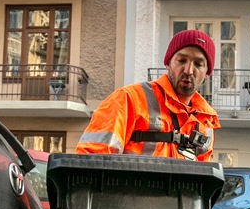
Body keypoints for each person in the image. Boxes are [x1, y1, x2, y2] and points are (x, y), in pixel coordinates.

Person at [75, 29, 220, 161]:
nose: (189, 70)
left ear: (207, 73)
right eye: (181, 60)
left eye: (198, 64)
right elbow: (91, 161)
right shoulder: (128, 99)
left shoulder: (205, 122)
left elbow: (202, 181)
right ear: (168, 63)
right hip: (129, 190)